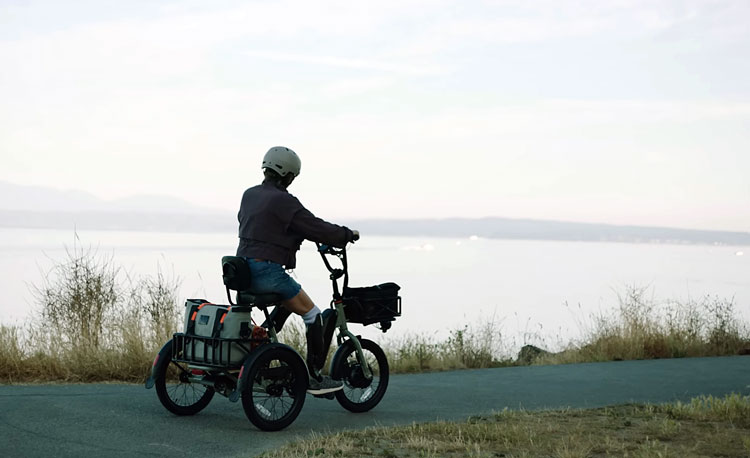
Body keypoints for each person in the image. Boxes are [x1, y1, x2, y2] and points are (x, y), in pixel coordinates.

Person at [236, 146, 359, 395]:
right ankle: (314, 376)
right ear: (288, 174)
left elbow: (262, 226)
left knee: (286, 302)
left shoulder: (249, 194)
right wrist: (346, 235)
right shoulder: (283, 201)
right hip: (267, 272)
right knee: (313, 314)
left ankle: (258, 343)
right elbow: (315, 226)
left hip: (242, 271)